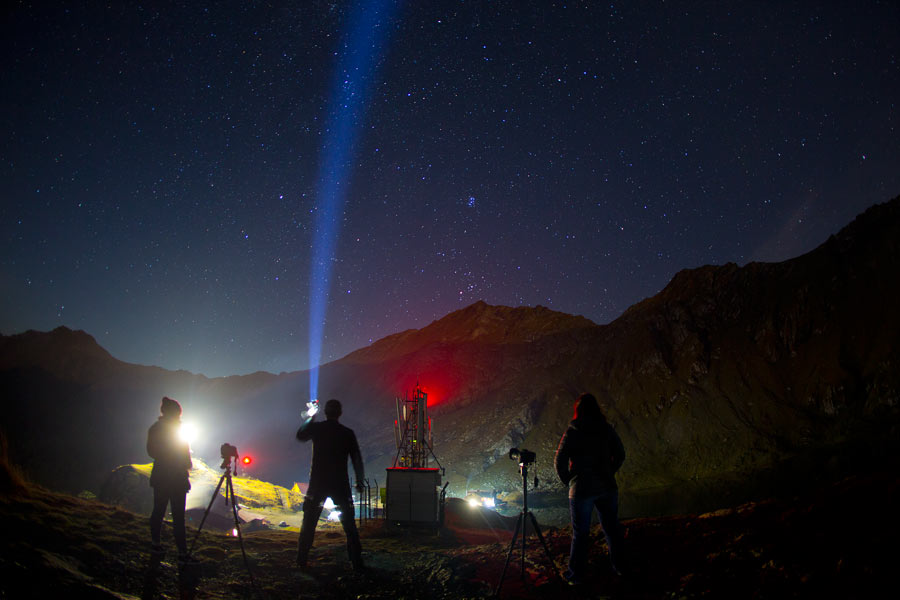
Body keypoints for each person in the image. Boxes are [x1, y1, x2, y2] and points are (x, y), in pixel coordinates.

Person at [554, 393, 626, 584]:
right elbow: (620, 453)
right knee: (611, 529)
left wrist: (568, 480)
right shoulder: (606, 429)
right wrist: (610, 471)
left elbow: (559, 460)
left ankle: (576, 575)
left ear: (578, 411)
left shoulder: (573, 431)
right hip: (606, 486)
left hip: (581, 489)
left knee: (580, 533)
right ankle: (620, 568)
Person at [295, 398, 365, 570]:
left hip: (318, 483)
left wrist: (311, 417)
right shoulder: (347, 433)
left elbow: (300, 435)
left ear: (325, 412)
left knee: (309, 523)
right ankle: (356, 562)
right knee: (349, 525)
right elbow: (356, 459)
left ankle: (301, 560)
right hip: (340, 484)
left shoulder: (318, 429)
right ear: (340, 413)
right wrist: (359, 481)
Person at [147, 396, 192, 559]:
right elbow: (184, 454)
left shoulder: (156, 428)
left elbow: (152, 452)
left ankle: (156, 544)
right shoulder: (175, 430)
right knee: (177, 515)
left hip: (163, 476)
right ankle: (181, 551)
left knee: (159, 511)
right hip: (175, 478)